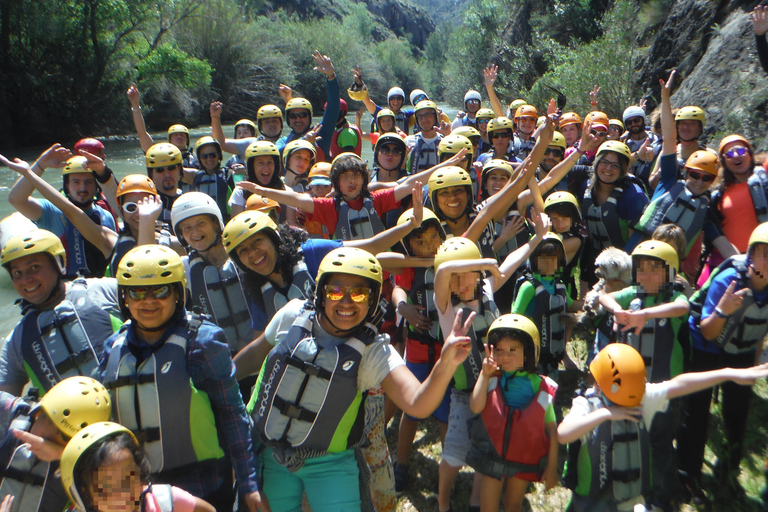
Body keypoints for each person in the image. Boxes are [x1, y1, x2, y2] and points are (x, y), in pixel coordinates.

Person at [245, 247, 476, 512]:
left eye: (358, 293)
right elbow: (252, 356)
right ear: (320, 293)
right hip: (273, 455)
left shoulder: (374, 350)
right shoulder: (292, 315)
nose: (346, 302)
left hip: (330, 463)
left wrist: (446, 364)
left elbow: (417, 403)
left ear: (372, 300)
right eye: (335, 291)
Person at [96, 245, 268, 512]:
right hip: (140, 490)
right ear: (124, 299)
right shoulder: (111, 347)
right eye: (137, 292)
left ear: (178, 294)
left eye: (161, 290)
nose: (149, 301)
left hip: (202, 485)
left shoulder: (202, 342)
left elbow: (233, 415)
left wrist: (249, 484)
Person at [558, 343, 768, 512]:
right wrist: (605, 414)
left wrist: (728, 373)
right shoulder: (586, 405)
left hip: (629, 503)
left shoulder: (641, 398)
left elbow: (680, 384)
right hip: (591, 505)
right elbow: (563, 434)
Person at [222, 190, 429, 341]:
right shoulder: (254, 289)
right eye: (243, 251)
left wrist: (411, 224)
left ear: (274, 238)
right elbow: (262, 340)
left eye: (258, 241)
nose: (253, 254)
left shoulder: (310, 252)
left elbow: (371, 246)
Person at [677, 222, 768, 502]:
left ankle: (728, 472)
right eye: (763, 253)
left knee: (737, 411)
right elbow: (707, 330)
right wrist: (723, 310)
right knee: (697, 411)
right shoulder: (729, 279)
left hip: (740, 349)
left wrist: (752, 367)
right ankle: (686, 476)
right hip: (705, 343)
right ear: (751, 254)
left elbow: (759, 330)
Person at [599, 240, 689, 510]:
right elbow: (606, 296)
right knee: (633, 437)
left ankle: (662, 495)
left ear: (670, 274)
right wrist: (617, 309)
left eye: (655, 270)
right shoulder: (632, 295)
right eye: (642, 269)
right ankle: (631, 485)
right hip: (631, 386)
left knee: (660, 442)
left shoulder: (673, 298)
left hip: (664, 387)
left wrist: (646, 314)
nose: (646, 276)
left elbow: (682, 309)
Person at [0, 230, 121, 396]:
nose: (25, 280)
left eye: (34, 268)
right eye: (17, 273)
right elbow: (4, 400)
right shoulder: (17, 340)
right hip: (68, 420)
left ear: (59, 263)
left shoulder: (104, 291)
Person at [628, 71, 721, 279]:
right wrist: (665, 98)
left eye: (692, 124)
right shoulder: (670, 164)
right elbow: (668, 137)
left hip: (685, 232)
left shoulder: (707, 157)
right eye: (682, 124)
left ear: (700, 128)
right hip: (658, 219)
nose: (686, 127)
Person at [467, 315, 558, 512]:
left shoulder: (539, 386)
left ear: (528, 352)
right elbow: (475, 407)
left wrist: (551, 467)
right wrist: (484, 375)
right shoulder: (492, 379)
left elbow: (551, 429)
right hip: (493, 456)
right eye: (499, 350)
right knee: (487, 506)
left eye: (512, 350)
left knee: (513, 505)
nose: (505, 356)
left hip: (523, 458)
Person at [0, 377, 112, 512]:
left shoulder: (84, 474)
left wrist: (63, 456)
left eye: (66, 439)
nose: (46, 443)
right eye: (54, 426)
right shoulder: (12, 413)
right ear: (39, 412)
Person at [7, 147, 117, 278]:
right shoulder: (51, 210)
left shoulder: (106, 215)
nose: (82, 188)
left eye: (88, 182)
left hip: (99, 287)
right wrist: (40, 165)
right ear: (67, 186)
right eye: (76, 182)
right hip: (64, 288)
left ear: (96, 187)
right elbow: (16, 199)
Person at [60, 421, 216, 512]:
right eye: (105, 490)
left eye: (128, 480)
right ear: (85, 494)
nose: (122, 495)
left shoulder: (165, 501)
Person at [171, 192, 256, 358]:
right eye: (187, 228)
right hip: (219, 361)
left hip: (258, 352)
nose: (195, 232)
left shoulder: (243, 254)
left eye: (201, 223)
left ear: (216, 224)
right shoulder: (184, 268)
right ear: (181, 235)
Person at [579, 141, 649, 289]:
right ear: (596, 163)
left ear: (623, 169)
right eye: (604, 162)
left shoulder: (633, 195)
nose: (608, 169)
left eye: (615, 165)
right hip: (593, 256)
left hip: (621, 263)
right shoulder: (585, 187)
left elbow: (636, 240)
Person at [126, 83, 197, 168]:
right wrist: (135, 104)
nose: (179, 137)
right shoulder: (159, 154)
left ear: (187, 140)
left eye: (182, 135)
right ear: (169, 139)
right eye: (175, 135)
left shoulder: (196, 158)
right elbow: (142, 133)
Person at [184, 136, 231, 222]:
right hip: (201, 221)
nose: (209, 159)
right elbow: (173, 169)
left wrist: (243, 172)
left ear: (219, 155)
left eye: (212, 155)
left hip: (224, 221)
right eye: (204, 156)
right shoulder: (193, 175)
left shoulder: (229, 174)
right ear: (199, 158)